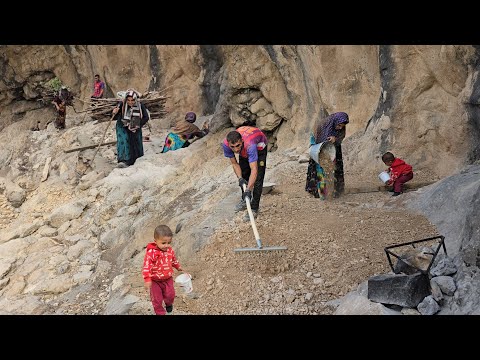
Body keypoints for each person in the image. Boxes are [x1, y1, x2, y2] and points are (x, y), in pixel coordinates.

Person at [222, 126, 268, 222]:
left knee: (258, 179)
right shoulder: (226, 144)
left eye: (237, 145)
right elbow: (234, 163)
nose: (235, 150)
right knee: (244, 174)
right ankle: (245, 200)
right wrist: (240, 178)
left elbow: (254, 169)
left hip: (260, 148)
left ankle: (254, 208)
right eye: (232, 147)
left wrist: (249, 189)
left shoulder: (250, 146)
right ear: (229, 144)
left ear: (241, 141)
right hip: (246, 147)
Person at [142, 225, 185, 315]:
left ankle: (169, 305)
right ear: (155, 241)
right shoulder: (152, 253)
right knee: (157, 299)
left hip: (168, 278)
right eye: (163, 243)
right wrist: (147, 279)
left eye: (169, 242)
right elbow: (147, 266)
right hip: (155, 281)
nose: (166, 245)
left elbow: (173, 259)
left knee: (170, 295)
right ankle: (160, 313)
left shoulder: (170, 250)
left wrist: (177, 266)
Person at [305, 112, 349, 199]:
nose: (340, 128)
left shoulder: (340, 125)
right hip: (319, 147)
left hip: (334, 147)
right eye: (339, 125)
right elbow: (316, 136)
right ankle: (318, 192)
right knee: (319, 171)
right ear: (335, 122)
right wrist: (324, 143)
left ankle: (336, 191)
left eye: (342, 126)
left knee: (334, 169)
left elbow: (341, 135)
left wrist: (335, 139)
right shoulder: (324, 123)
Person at [112, 90, 150, 167]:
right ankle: (123, 160)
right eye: (128, 100)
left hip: (135, 126)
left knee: (135, 141)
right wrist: (114, 112)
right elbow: (115, 117)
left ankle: (136, 159)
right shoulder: (122, 105)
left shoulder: (140, 105)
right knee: (124, 140)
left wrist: (137, 125)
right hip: (122, 125)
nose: (130, 102)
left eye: (132, 100)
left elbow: (146, 117)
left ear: (135, 99)